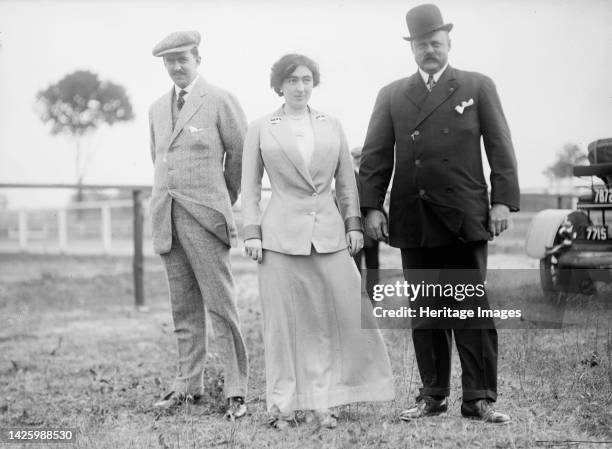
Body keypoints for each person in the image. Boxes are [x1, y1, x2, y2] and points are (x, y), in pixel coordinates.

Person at [359, 4, 520, 424]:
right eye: (421, 44)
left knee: (469, 306)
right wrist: (373, 206)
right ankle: (432, 396)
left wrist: (501, 200)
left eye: (435, 43)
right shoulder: (392, 94)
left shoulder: (477, 86)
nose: (428, 50)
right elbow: (376, 156)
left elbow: (500, 147)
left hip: (464, 214)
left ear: (448, 43)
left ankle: (479, 399)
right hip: (414, 217)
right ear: (411, 48)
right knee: (425, 310)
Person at [241, 54, 394, 429]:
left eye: (307, 79)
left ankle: (323, 402)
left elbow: (345, 182)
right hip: (278, 239)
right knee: (283, 325)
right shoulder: (261, 127)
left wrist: (353, 224)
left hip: (329, 235)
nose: (300, 87)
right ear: (280, 85)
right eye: (292, 80)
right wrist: (251, 232)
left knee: (330, 320)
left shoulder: (331, 125)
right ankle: (282, 405)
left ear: (315, 83)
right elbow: (248, 187)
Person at [148, 30, 249, 419]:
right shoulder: (157, 108)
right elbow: (160, 162)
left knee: (221, 308)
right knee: (183, 308)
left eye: (182, 60)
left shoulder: (220, 101)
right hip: (167, 220)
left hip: (206, 220)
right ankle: (187, 385)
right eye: (169, 62)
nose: (176, 67)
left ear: (197, 59)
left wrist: (220, 200)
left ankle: (236, 390)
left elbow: (240, 157)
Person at [350, 146, 380, 301]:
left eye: (361, 157)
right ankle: (359, 297)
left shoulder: (369, 175)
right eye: (357, 157)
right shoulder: (350, 177)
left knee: (373, 264)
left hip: (371, 227)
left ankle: (373, 295)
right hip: (357, 228)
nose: (359, 160)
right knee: (356, 265)